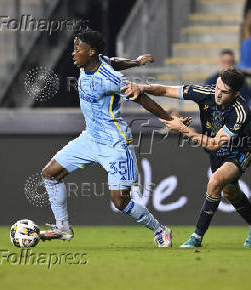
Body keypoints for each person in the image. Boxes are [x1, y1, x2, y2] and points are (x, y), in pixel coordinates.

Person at [39, 31, 178, 247]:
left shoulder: (108, 79)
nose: (73, 53)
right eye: (74, 48)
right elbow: (112, 61)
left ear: (91, 52)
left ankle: (160, 229)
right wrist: (136, 62)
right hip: (90, 138)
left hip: (115, 143)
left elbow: (141, 98)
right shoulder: (95, 62)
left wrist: (168, 119)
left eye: (78, 49)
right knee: (50, 174)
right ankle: (63, 227)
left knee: (120, 201)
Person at [123, 68, 251, 248]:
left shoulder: (240, 112)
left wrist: (182, 129)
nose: (218, 94)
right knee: (230, 192)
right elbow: (166, 90)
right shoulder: (205, 92)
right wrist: (141, 87)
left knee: (215, 182)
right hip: (217, 153)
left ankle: (196, 237)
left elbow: (214, 143)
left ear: (236, 94)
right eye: (218, 88)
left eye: (225, 92)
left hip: (239, 151)